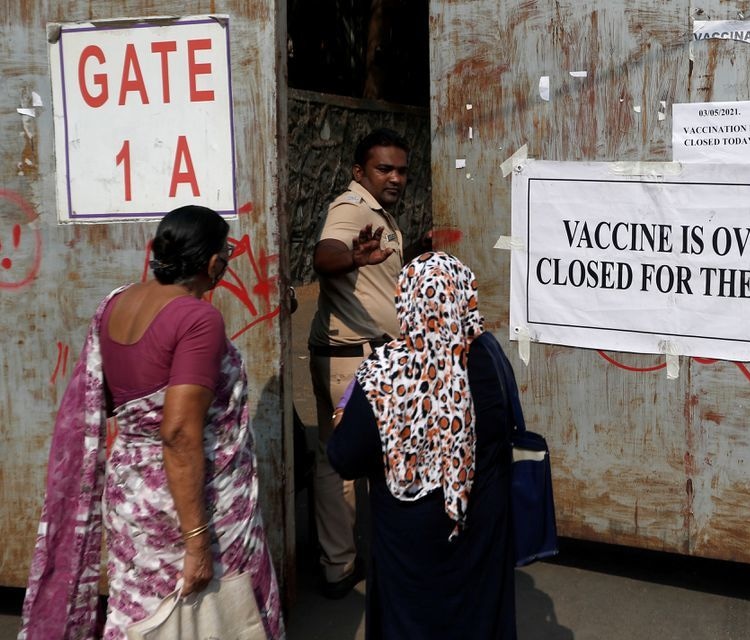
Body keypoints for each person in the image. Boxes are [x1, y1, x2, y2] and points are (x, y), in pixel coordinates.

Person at [19, 206, 285, 639]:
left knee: (142, 615)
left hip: (132, 497)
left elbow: (108, 397)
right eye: (226, 253)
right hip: (189, 505)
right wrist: (197, 541)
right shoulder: (198, 320)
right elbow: (179, 432)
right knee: (216, 615)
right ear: (213, 263)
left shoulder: (115, 304)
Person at [328, 252, 517, 639]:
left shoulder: (383, 374)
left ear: (406, 300)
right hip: (479, 537)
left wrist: (342, 421)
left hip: (409, 554)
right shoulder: (490, 358)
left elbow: (344, 457)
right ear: (465, 295)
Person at [308, 127, 416, 598]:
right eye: (384, 169)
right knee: (339, 461)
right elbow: (325, 255)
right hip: (350, 361)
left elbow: (378, 277)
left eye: (401, 170)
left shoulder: (380, 215)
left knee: (367, 456)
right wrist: (350, 256)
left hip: (371, 356)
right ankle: (338, 567)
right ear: (359, 172)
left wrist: (415, 251)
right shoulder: (350, 208)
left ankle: (354, 557)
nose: (395, 178)